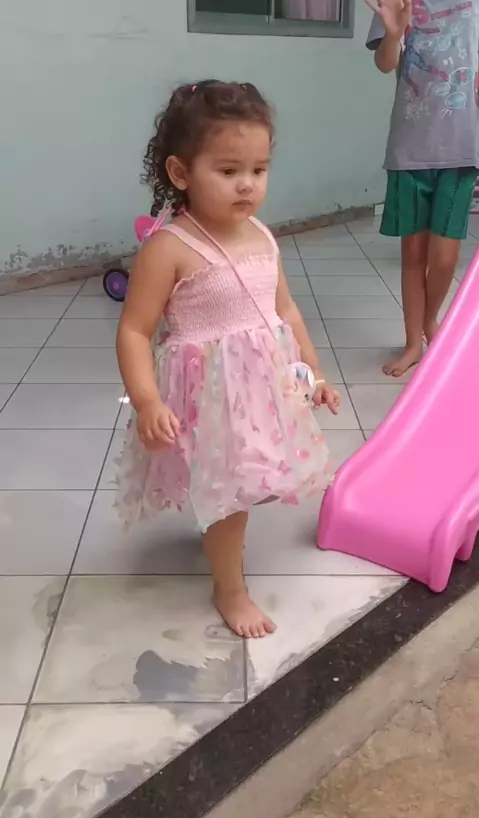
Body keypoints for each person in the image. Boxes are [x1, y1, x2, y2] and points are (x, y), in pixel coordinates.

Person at [115, 80, 340, 639]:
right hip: (208, 395)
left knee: (245, 481)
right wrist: (146, 400)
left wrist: (312, 373)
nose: (248, 185)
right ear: (180, 173)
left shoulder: (262, 235)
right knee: (232, 491)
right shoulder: (169, 248)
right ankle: (230, 588)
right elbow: (135, 330)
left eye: (259, 170)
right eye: (229, 170)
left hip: (261, 387)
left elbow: (285, 311)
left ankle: (221, 542)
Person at [366, 0, 479, 377]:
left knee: (445, 258)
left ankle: (430, 320)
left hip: (461, 148)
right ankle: (413, 342)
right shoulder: (398, 1)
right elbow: (385, 63)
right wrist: (393, 35)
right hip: (410, 147)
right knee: (413, 255)